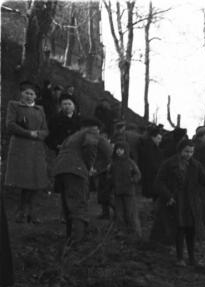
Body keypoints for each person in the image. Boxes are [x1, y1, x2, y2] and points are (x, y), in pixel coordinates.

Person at [150, 139, 205, 267]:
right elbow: (159, 182)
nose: (189, 154)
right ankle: (180, 258)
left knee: (191, 230)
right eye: (186, 151)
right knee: (179, 229)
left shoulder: (196, 165)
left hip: (191, 202)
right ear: (180, 150)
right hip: (176, 201)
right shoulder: (169, 164)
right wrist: (168, 197)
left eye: (191, 152)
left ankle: (192, 258)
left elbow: (204, 179)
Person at [53, 117, 113, 247]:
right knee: (79, 205)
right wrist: (90, 165)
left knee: (68, 205)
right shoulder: (92, 134)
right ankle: (77, 242)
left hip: (60, 169)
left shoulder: (72, 136)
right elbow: (100, 149)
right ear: (96, 128)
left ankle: (69, 238)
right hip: (76, 170)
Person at [4, 81, 50, 224]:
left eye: (32, 94)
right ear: (21, 94)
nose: (29, 96)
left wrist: (40, 134)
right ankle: (21, 211)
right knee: (23, 180)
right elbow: (10, 125)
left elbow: (45, 129)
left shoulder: (39, 109)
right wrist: (29, 133)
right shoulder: (14, 105)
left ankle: (31, 212)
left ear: (35, 96)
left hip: (36, 149)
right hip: (21, 147)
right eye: (26, 93)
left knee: (36, 180)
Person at [109, 141, 142, 238]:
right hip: (117, 191)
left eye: (121, 149)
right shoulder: (113, 163)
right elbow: (110, 175)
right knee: (119, 213)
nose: (119, 152)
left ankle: (134, 232)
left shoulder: (130, 162)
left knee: (130, 212)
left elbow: (138, 174)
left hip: (128, 191)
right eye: (117, 149)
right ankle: (121, 231)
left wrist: (132, 180)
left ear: (125, 150)